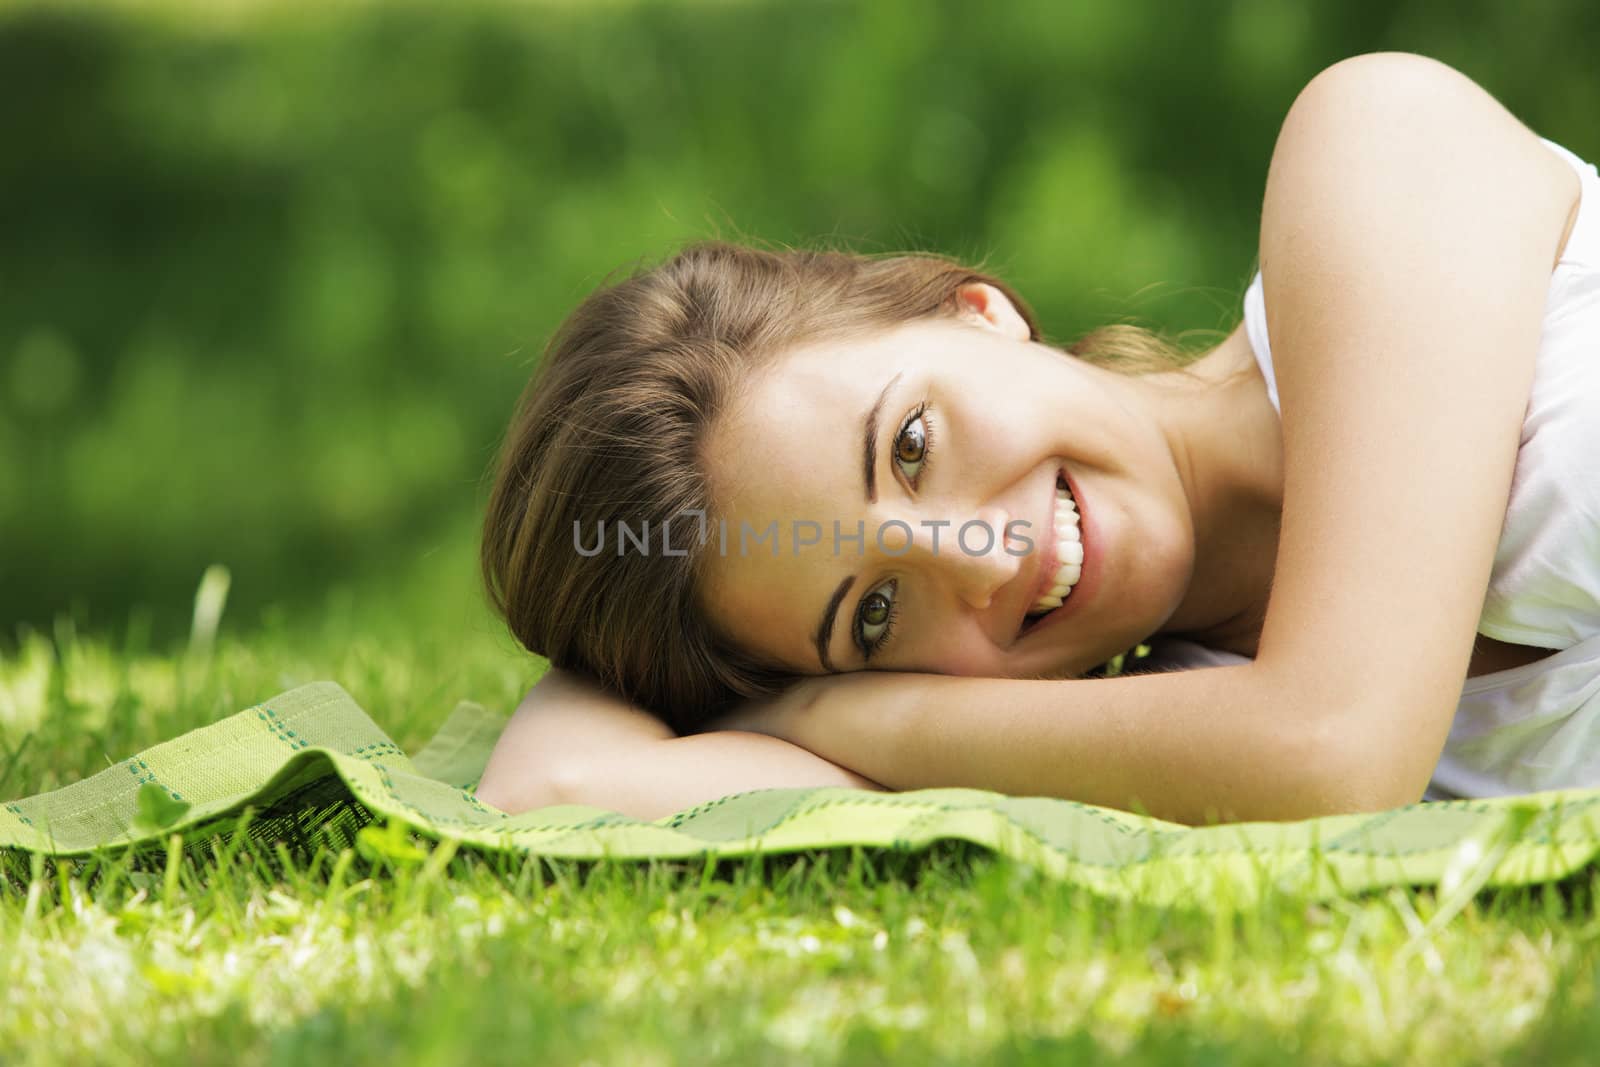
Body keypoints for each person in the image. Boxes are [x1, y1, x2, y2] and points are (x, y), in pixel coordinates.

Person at [473, 52, 1600, 825]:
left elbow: (1335, 747)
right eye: (873, 612)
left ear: (977, 310)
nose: (975, 553)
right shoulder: (1163, 736)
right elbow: (552, 784)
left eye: (909, 444)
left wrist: (842, 708)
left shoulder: (1375, 152)